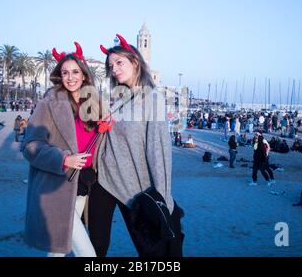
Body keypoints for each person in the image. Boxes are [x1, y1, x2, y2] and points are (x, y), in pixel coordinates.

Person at [88, 34, 183, 257]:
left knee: (151, 251)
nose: (114, 69)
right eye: (111, 65)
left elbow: (158, 153)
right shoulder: (121, 98)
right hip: (103, 180)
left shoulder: (153, 100)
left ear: (136, 62)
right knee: (96, 247)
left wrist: (164, 199)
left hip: (134, 189)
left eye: (119, 62)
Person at [22, 42, 98, 257]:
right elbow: (30, 147)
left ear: (84, 75)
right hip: (57, 187)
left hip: (83, 186)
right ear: (59, 76)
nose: (70, 77)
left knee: (58, 251)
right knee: (87, 254)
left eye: (75, 72)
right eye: (65, 72)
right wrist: (64, 159)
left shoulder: (93, 104)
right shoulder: (49, 103)